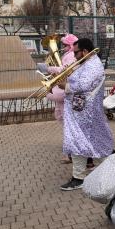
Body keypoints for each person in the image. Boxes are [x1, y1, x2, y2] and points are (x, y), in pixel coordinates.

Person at [59, 38, 114, 191]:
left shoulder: (93, 65)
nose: (74, 55)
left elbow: (84, 85)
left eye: (76, 52)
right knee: (86, 143)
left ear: (84, 51)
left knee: (80, 142)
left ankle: (82, 177)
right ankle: (88, 175)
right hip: (81, 111)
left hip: (84, 112)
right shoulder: (87, 63)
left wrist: (65, 85)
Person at [45, 33, 78, 164]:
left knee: (68, 123)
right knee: (62, 118)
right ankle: (70, 151)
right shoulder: (67, 55)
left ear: (71, 45)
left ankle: (70, 153)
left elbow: (65, 69)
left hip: (66, 90)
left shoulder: (71, 56)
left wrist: (49, 68)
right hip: (63, 89)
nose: (63, 47)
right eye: (63, 45)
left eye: (65, 45)